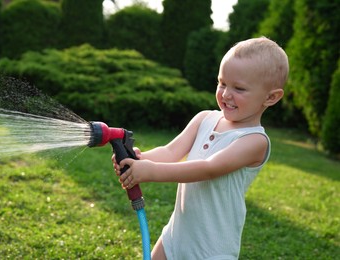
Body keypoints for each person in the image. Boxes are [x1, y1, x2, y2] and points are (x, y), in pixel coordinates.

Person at [113, 36, 289, 259]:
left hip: (211, 248)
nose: (226, 94)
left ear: (271, 97)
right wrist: (139, 159)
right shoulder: (204, 118)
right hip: (176, 235)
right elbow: (170, 152)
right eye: (222, 83)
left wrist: (150, 171)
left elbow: (208, 168)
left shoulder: (254, 141)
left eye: (239, 88)